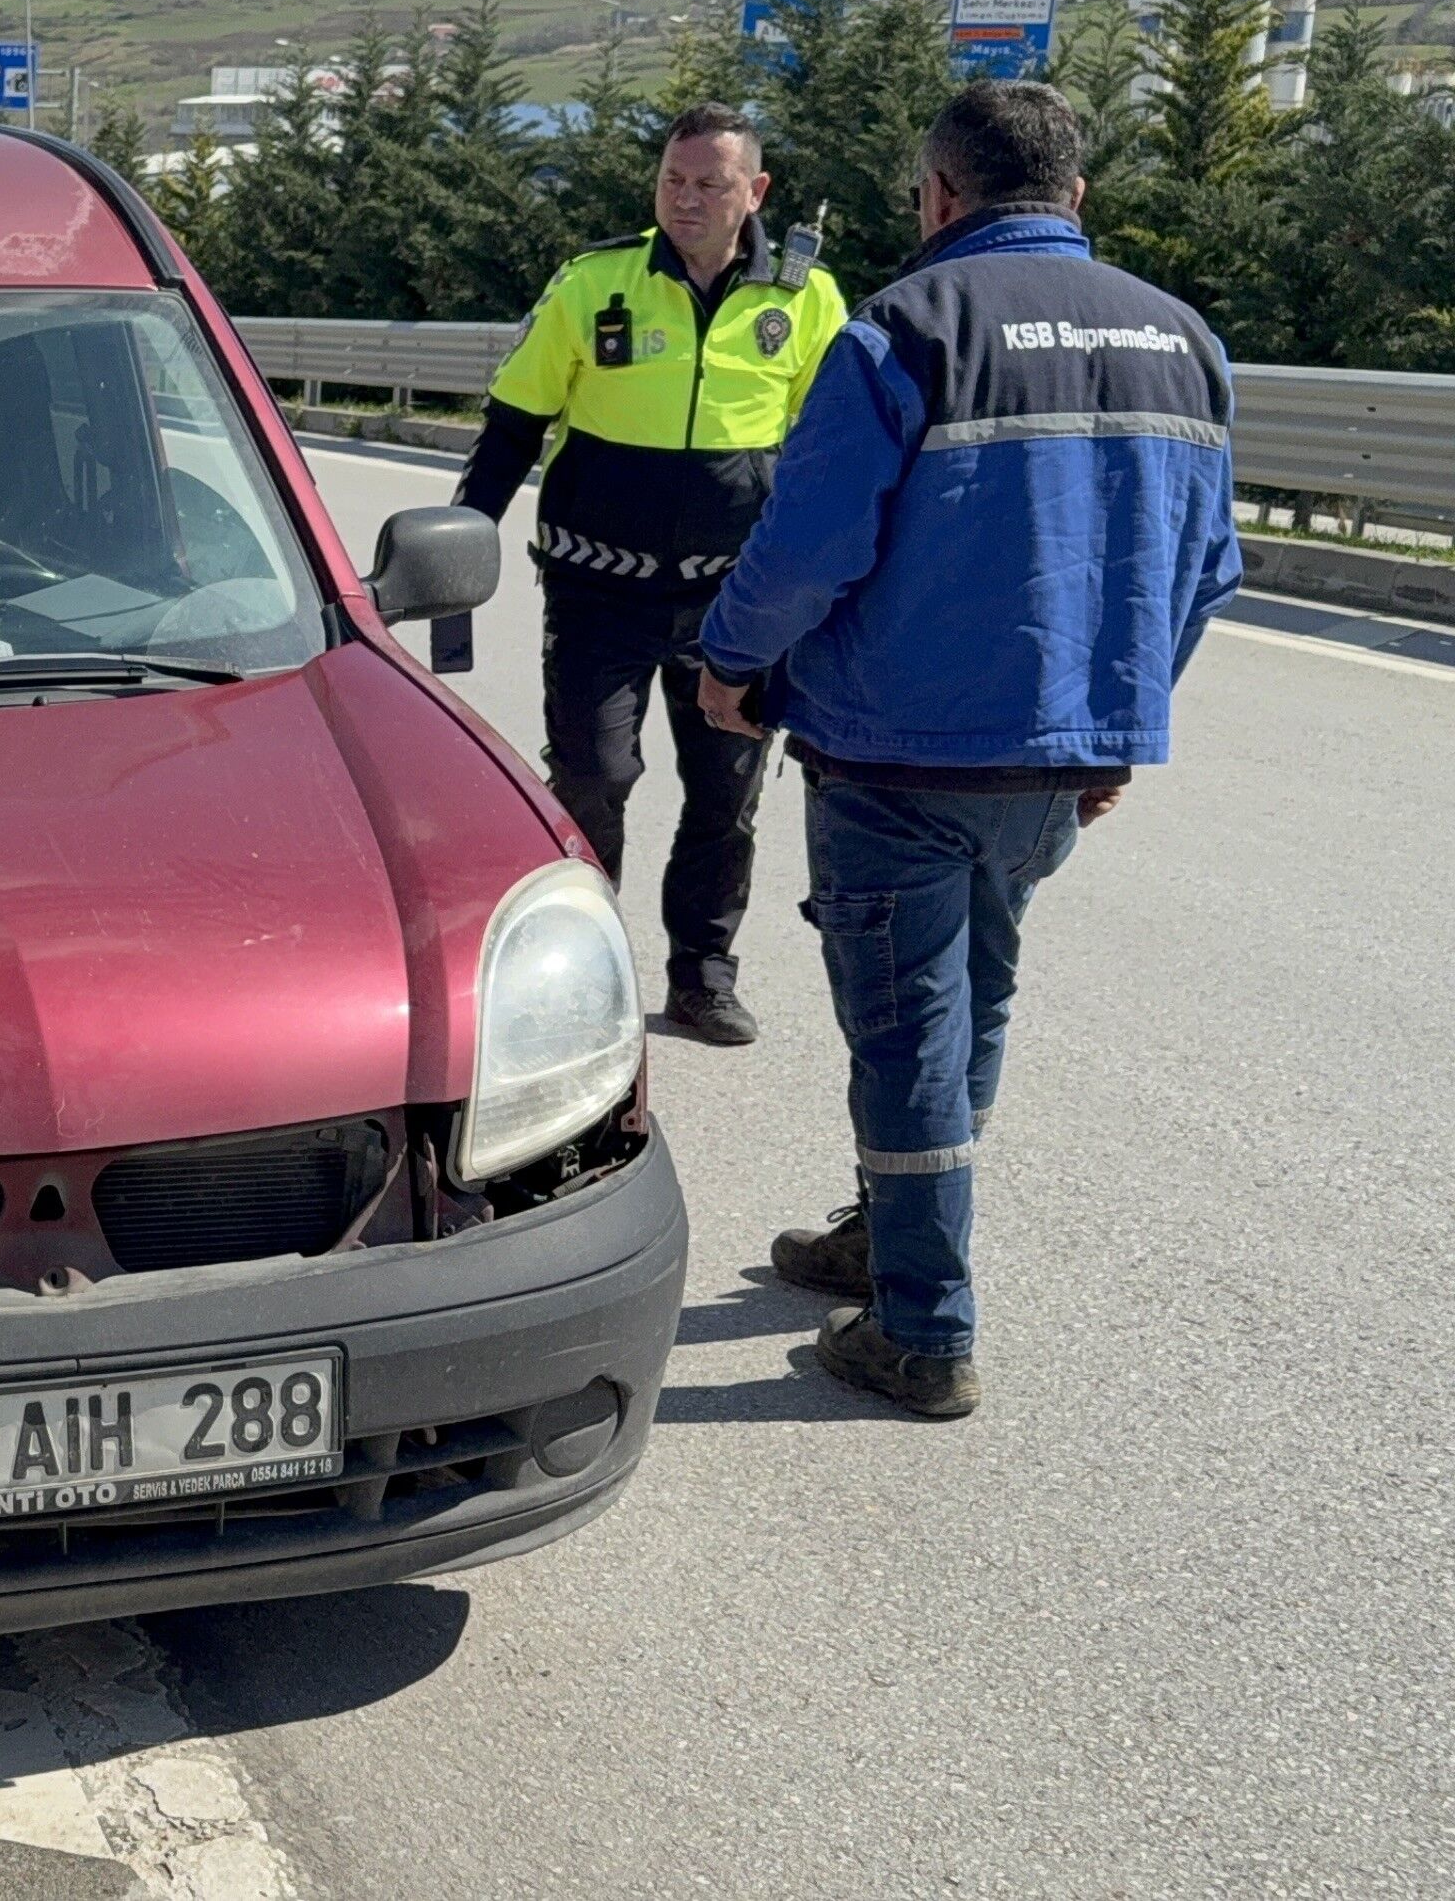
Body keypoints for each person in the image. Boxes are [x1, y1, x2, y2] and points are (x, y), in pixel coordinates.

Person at [694, 79, 1240, 1418]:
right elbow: (1205, 570)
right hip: (1055, 761)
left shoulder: (905, 330)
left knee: (905, 1034)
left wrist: (727, 660)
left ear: (939, 197)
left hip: (898, 758)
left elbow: (812, 544)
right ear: (1078, 199)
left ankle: (925, 1325)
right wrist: (1117, 723)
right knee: (970, 1000)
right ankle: (894, 1232)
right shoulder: (1184, 341)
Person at [455, 104, 847, 1049]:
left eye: (710, 183)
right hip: (600, 592)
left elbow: (833, 460)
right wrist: (462, 541)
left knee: (726, 794)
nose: (686, 199)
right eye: (673, 179)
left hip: (738, 605)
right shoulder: (597, 283)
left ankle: (702, 977)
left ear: (755, 194)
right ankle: (581, 981)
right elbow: (514, 425)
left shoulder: (806, 302)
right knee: (594, 776)